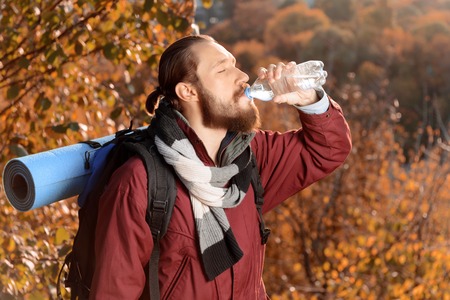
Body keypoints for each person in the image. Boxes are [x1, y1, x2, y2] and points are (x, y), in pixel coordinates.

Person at [89, 34, 352, 299]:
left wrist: (307, 98)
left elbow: (327, 150)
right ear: (188, 91)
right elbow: (114, 291)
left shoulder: (250, 156)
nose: (242, 76)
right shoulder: (141, 181)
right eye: (223, 69)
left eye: (235, 65)